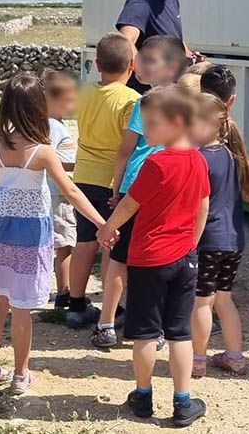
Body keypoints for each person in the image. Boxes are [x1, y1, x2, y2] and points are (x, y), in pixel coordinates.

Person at [0, 73, 115, 395]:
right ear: (37, 108)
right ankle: (20, 374)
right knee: (22, 308)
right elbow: (71, 192)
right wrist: (102, 223)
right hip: (29, 234)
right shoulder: (43, 152)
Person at [97, 86, 210, 427]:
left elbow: (131, 203)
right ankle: (183, 401)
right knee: (179, 333)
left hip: (149, 257)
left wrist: (107, 228)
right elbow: (203, 205)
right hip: (184, 257)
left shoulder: (155, 162)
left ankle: (143, 396)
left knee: (145, 333)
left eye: (151, 124)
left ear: (175, 121)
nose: (145, 131)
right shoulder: (198, 159)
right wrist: (192, 241)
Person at [91, 35, 186, 348]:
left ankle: (106, 324)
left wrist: (116, 187)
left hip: (136, 184)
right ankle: (154, 327)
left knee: (119, 257)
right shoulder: (182, 104)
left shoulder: (143, 103)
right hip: (168, 190)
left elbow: (125, 150)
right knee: (156, 258)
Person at [66, 33, 140, 328]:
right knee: (112, 244)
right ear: (132, 65)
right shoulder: (132, 100)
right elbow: (128, 145)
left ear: (97, 65)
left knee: (84, 242)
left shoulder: (83, 94)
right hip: (112, 181)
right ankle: (113, 308)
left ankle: (75, 305)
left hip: (83, 177)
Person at [190, 93, 249, 377]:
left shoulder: (199, 159)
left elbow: (199, 206)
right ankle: (235, 356)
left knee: (201, 301)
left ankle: (197, 359)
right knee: (224, 299)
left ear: (209, 124)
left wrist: (190, 242)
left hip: (207, 239)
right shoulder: (234, 156)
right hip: (234, 240)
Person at [116, 0, 199, 92]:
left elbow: (169, 33)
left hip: (168, 95)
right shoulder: (141, 1)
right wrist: (144, 71)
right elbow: (124, 40)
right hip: (147, 100)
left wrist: (189, 55)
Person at [42, 69, 80, 308]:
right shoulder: (53, 127)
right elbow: (52, 158)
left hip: (52, 191)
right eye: (69, 101)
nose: (73, 106)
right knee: (64, 243)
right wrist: (81, 163)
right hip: (59, 192)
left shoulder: (48, 124)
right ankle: (64, 291)